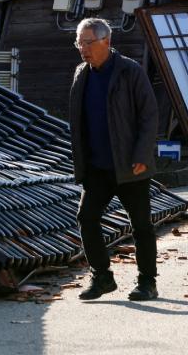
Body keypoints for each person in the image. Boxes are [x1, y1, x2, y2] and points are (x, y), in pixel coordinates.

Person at [68, 17, 159, 301]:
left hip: (129, 163)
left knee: (141, 225)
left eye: (87, 42)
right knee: (86, 217)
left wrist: (142, 154)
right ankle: (102, 277)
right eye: (79, 43)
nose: (82, 48)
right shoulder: (81, 73)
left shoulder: (129, 71)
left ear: (106, 42)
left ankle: (147, 281)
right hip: (96, 165)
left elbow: (149, 115)